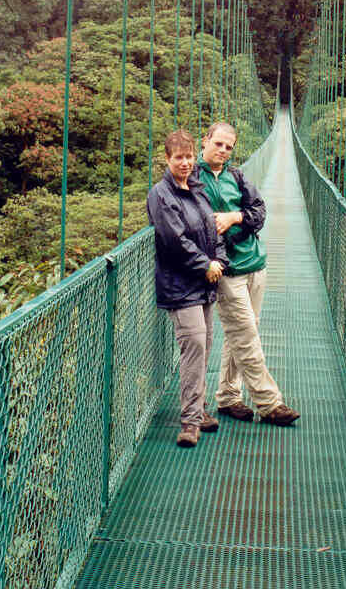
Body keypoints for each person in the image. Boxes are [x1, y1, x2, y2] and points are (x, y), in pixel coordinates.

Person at [194, 121, 300, 426]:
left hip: (255, 264)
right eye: (218, 143)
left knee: (240, 334)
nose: (223, 150)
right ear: (205, 140)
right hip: (227, 270)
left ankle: (228, 397)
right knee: (246, 336)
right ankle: (269, 403)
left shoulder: (237, 177)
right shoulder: (192, 179)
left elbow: (259, 213)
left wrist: (235, 216)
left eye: (229, 147)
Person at [147, 129, 229, 448]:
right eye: (178, 157)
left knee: (204, 347)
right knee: (193, 346)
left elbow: (214, 229)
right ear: (167, 159)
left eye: (189, 157)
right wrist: (205, 264)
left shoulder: (197, 190)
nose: (185, 163)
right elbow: (174, 240)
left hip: (204, 283)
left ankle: (199, 409)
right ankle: (190, 422)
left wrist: (219, 260)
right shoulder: (161, 195)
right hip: (180, 285)